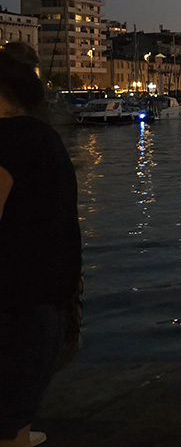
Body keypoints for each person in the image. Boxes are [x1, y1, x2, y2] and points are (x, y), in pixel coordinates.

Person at [0, 42, 82, 447]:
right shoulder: (33, 137)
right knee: (17, 394)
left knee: (13, 399)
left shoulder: (12, 140)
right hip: (37, 287)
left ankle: (18, 435)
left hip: (23, 290)